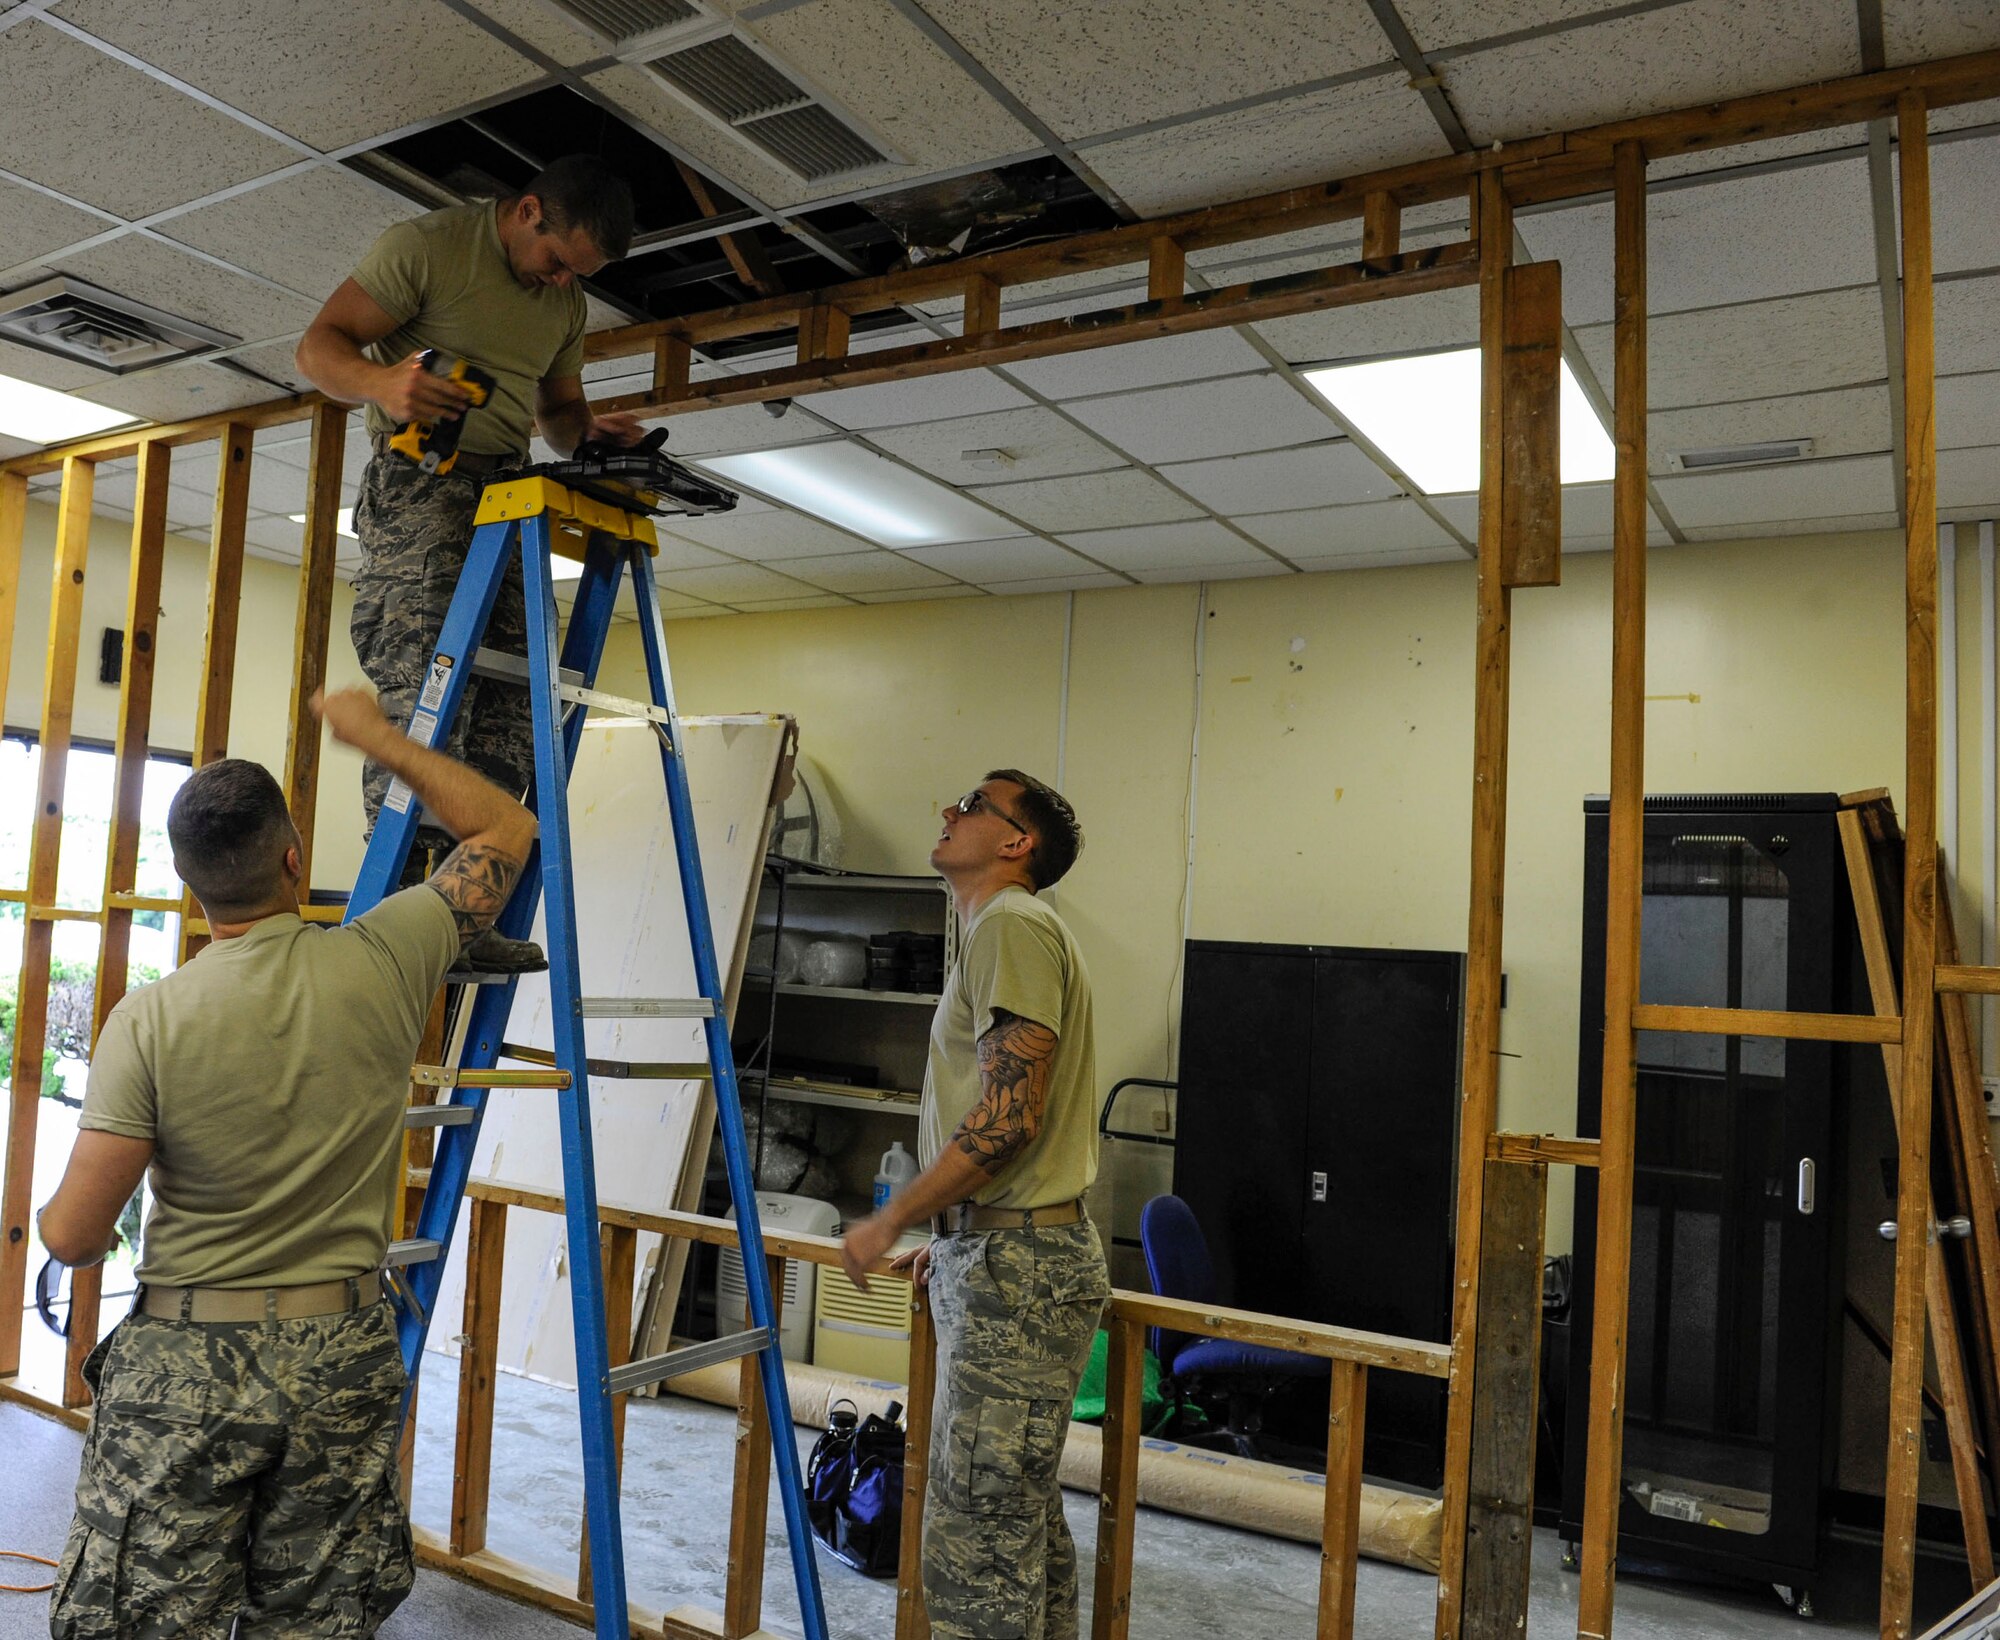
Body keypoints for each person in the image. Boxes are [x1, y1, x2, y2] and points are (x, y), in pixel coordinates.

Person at [36, 685, 537, 1640]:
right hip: (343, 1358)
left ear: (188, 880)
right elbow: (506, 826)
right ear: (294, 859)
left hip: (190, 1369)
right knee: (315, 1624)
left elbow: (73, 1233)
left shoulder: (150, 1020)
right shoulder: (385, 958)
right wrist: (380, 739)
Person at [295, 154, 642, 971]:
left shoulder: (568, 302)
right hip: (421, 484)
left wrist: (590, 436)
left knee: (515, 706)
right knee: (426, 694)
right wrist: (383, 382)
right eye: (558, 262)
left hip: (508, 494)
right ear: (527, 212)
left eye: (578, 276)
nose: (562, 284)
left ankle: (463, 917)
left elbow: (558, 413)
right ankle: (395, 919)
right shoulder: (427, 247)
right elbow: (316, 347)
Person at [840, 771, 1106, 1640]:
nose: (947, 812)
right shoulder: (996, 932)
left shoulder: (1013, 925)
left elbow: (1006, 1123)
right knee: (1013, 1521)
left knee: (975, 1541)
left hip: (1018, 1271)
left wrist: (893, 1217)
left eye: (971, 805)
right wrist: (955, 1229)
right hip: (1001, 1253)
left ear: (1014, 842)